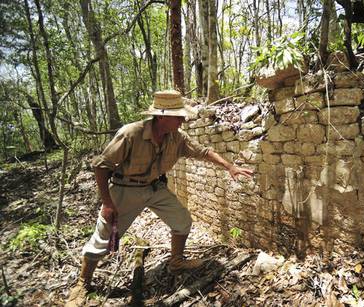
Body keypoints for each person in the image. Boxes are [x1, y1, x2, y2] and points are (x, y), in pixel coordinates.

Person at [65, 90, 253, 306]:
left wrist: (229, 166)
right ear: (162, 116)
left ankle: (176, 262)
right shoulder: (131, 133)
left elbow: (203, 151)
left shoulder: (177, 138)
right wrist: (107, 203)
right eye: (179, 116)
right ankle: (83, 282)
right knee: (104, 237)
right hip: (125, 189)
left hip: (155, 188)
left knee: (182, 221)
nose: (183, 120)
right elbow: (101, 165)